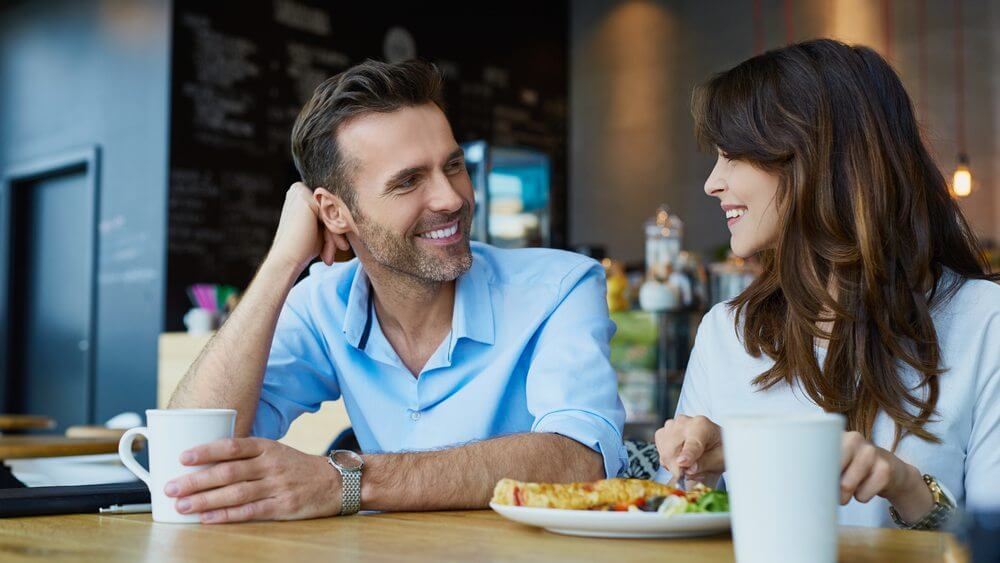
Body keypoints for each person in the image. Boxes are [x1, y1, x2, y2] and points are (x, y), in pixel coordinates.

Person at [167, 59, 626, 523]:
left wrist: (348, 481)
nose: (450, 198)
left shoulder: (562, 287)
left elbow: (581, 459)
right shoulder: (324, 303)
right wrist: (282, 263)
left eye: (453, 166)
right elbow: (192, 455)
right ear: (334, 212)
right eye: (408, 181)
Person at [654, 39, 1000, 529]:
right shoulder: (727, 330)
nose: (712, 182)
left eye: (733, 155)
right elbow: (672, 526)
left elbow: (992, 543)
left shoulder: (986, 322)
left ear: (817, 158)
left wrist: (906, 488)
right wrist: (697, 475)